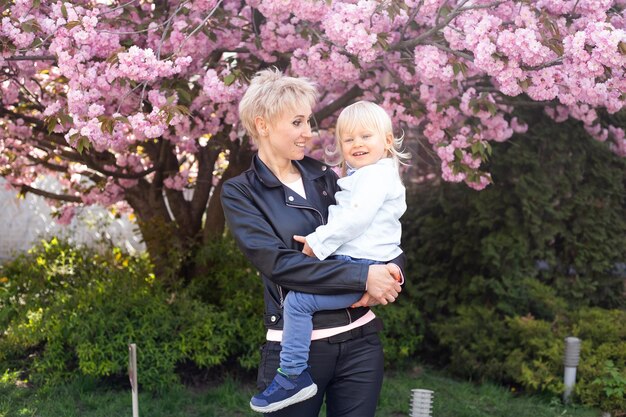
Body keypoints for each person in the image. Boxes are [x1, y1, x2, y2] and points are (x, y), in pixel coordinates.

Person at [220, 69, 404, 417]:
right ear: (263, 125)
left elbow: (376, 229)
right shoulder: (241, 193)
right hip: (298, 350)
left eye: (309, 121)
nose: (309, 133)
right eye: (298, 122)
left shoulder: (326, 176)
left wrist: (395, 272)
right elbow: (279, 265)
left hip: (360, 341)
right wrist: (363, 279)